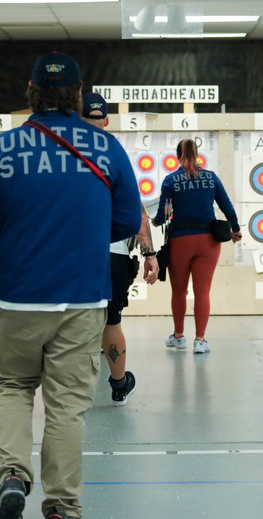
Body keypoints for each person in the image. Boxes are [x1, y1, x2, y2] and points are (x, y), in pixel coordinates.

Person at [0, 53, 143, 519]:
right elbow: (127, 218)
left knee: (10, 385)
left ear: (31, 90)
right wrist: (81, 232)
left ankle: (11, 474)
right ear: (79, 94)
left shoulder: (0, 148)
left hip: (16, 296)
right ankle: (62, 505)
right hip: (82, 297)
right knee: (66, 405)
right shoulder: (105, 148)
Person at [80, 91, 159, 406]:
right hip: (112, 254)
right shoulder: (114, 155)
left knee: (71, 321)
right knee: (111, 320)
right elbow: (136, 212)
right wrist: (150, 253)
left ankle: (71, 390)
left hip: (71, 254)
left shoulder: (59, 154)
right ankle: (118, 385)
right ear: (107, 120)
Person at [151, 138, 241, 354]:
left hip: (180, 240)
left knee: (179, 291)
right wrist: (235, 229)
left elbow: (162, 215)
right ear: (198, 154)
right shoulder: (211, 177)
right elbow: (226, 206)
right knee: (202, 292)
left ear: (176, 157)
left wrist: (154, 222)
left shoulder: (170, 180)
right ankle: (200, 340)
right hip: (208, 240)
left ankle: (179, 336)